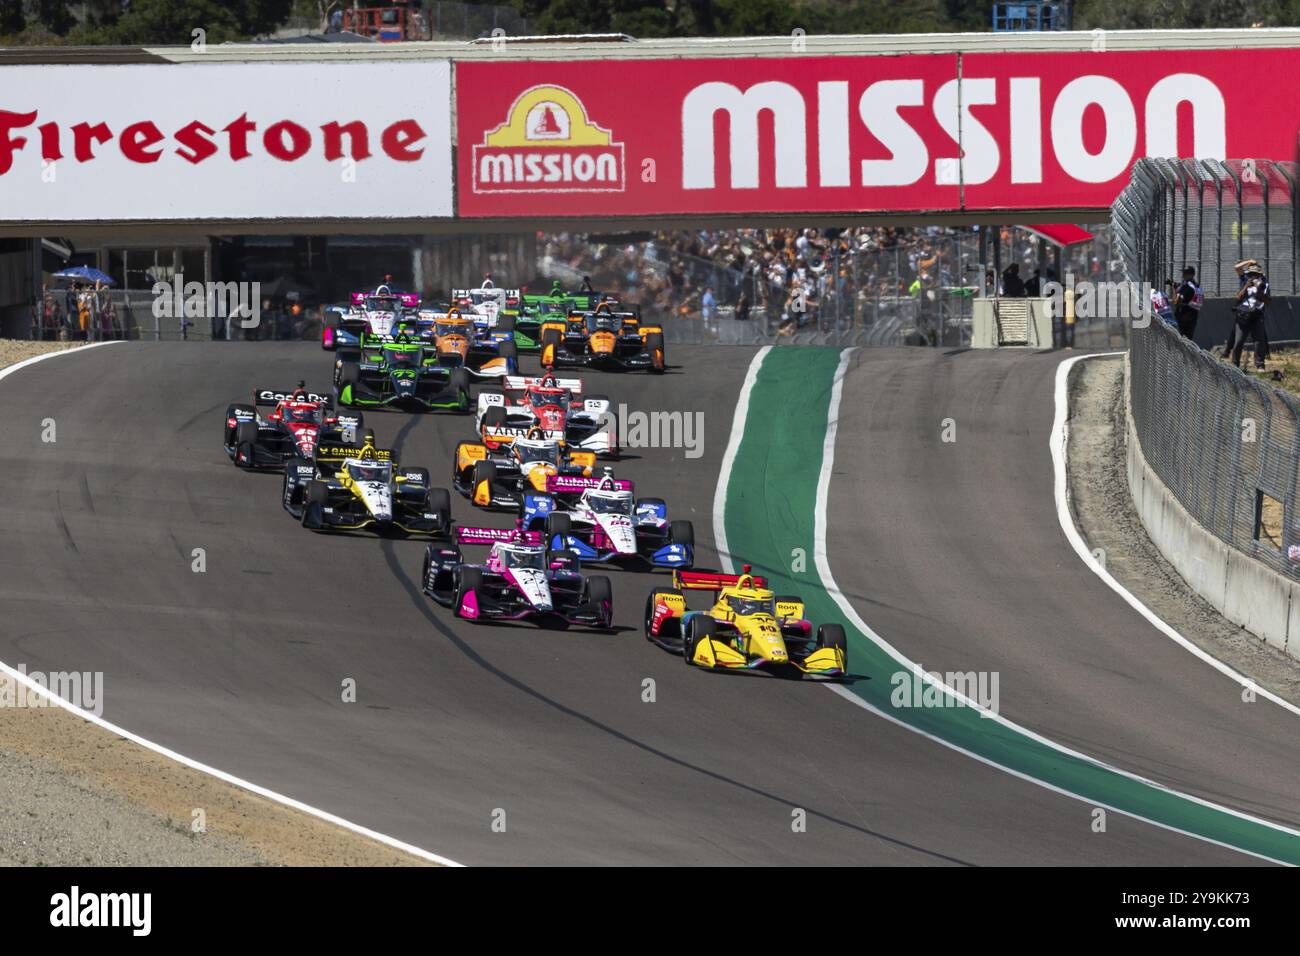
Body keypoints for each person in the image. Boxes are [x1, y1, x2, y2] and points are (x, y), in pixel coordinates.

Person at [1226, 260, 1270, 370]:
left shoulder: (1264, 283)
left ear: (1260, 275)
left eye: (1256, 274)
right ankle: (1235, 364)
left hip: (1257, 315)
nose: (1254, 276)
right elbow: (1238, 297)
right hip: (1243, 315)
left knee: (1259, 341)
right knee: (1239, 341)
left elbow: (1268, 301)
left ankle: (1260, 365)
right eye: (1251, 274)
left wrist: (1260, 292)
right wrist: (1247, 285)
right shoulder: (1244, 279)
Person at [1173, 266, 1203, 341]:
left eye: (1185, 273)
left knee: (1180, 339)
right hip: (1194, 315)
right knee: (1189, 340)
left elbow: (1177, 301)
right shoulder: (1197, 286)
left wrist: (1175, 290)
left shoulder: (1186, 285)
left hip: (1183, 314)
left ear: (1191, 275)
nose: (1183, 275)